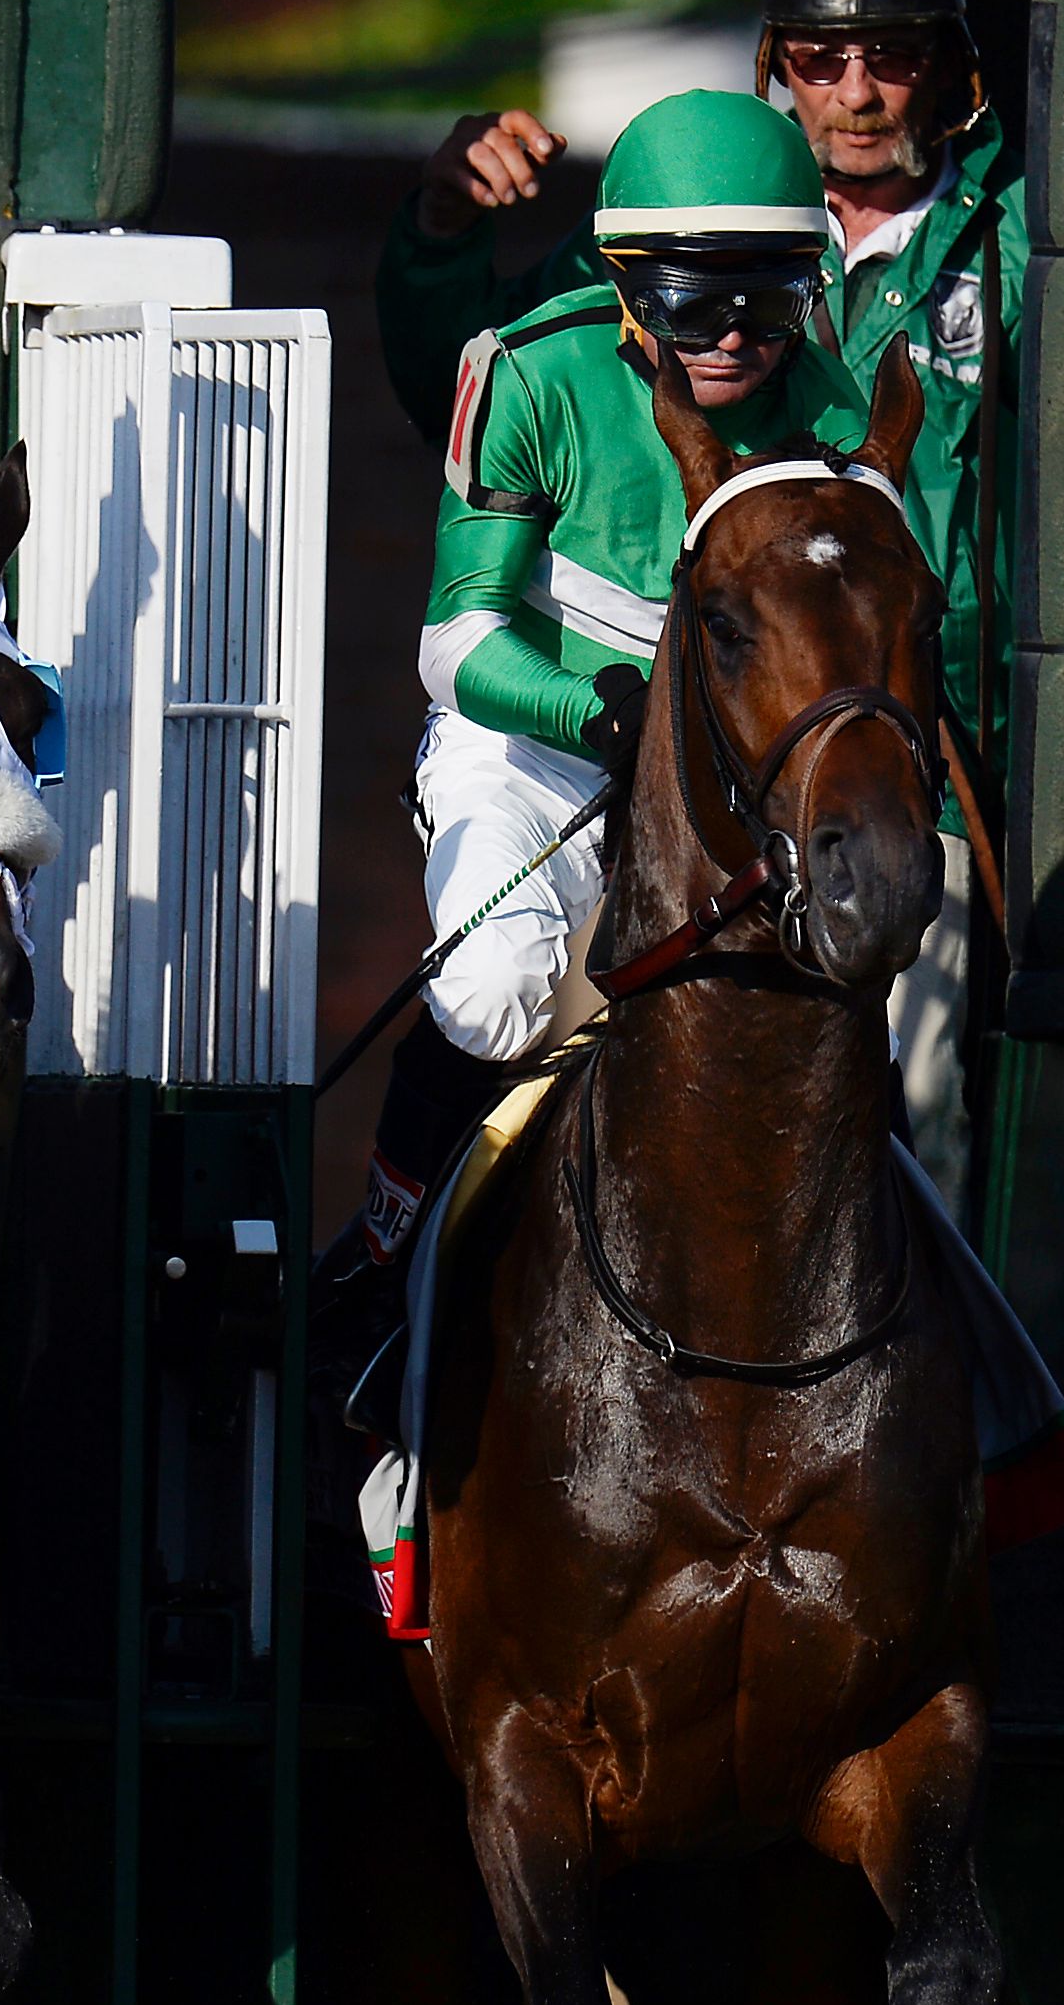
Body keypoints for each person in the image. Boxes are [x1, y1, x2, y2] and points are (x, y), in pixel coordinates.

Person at [381, 0, 1018, 1185]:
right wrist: (441, 230)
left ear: (948, 66)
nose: (852, 92)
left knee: (915, 1075)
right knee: (500, 990)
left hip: (881, 727)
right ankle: (382, 1268)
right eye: (819, 56)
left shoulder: (1021, 255)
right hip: (619, 725)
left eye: (889, 57)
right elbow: (483, 448)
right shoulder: (671, 223)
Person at [315, 88, 867, 1394]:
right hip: (542, 747)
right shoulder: (525, 365)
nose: (738, 335)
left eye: (770, 297)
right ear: (622, 285)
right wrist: (601, 710)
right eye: (696, 300)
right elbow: (456, 641)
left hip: (739, 767)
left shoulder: (833, 400)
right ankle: (382, 1264)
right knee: (496, 980)